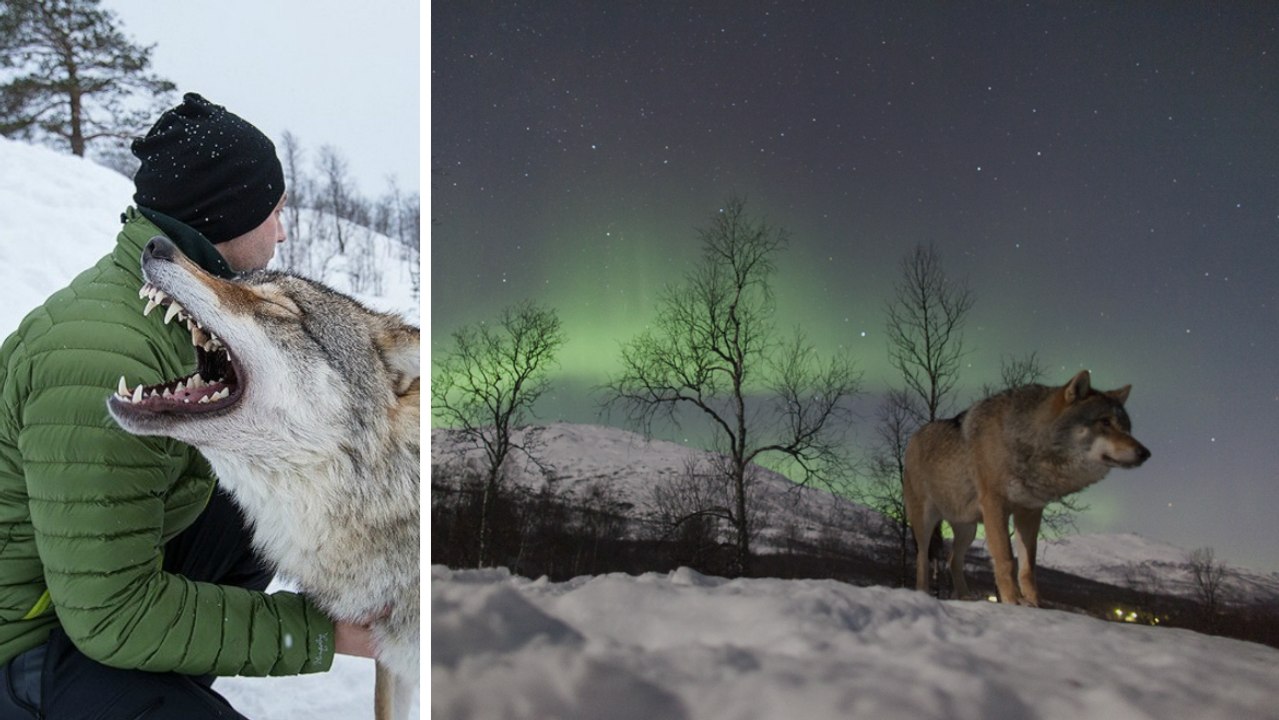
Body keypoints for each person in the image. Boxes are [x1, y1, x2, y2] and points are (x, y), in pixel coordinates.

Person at [0, 93, 375, 719]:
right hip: (27, 637)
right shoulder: (103, 359)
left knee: (250, 503)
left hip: (78, 587)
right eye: (274, 211)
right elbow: (112, 612)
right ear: (224, 217)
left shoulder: (179, 304)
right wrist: (325, 633)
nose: (281, 229)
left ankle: (167, 674)